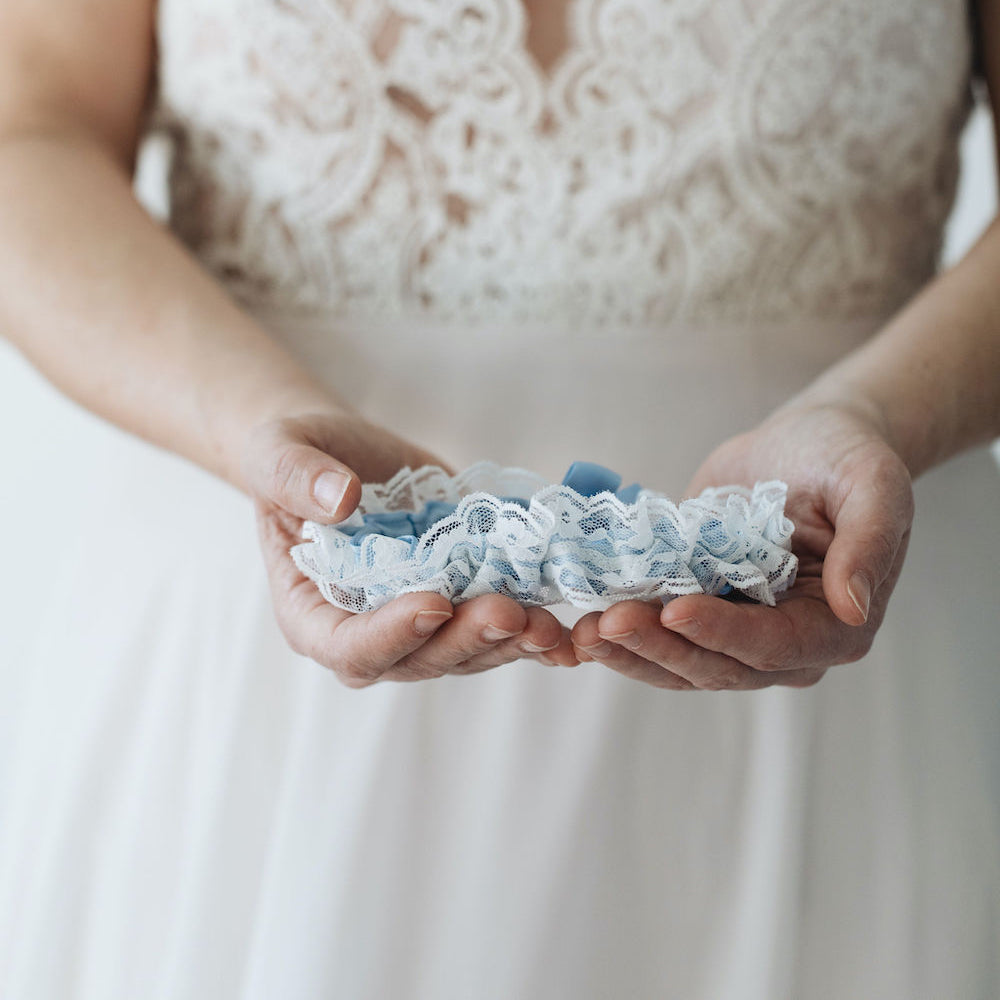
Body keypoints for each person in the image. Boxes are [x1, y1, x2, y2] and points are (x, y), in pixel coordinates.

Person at [1, 0, 998, 996]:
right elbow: (28, 130)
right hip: (257, 638)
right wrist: (251, 421)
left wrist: (877, 410)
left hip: (831, 604)